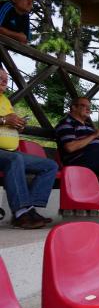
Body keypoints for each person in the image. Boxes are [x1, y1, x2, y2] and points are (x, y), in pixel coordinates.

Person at [0, 67, 58, 229]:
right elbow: (3, 120)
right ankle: (20, 213)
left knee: (50, 165)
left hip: (10, 152)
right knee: (15, 158)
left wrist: (17, 125)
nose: (4, 81)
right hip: (8, 155)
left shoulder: (4, 100)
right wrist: (5, 120)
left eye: (6, 79)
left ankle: (29, 208)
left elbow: (6, 121)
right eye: (0, 78)